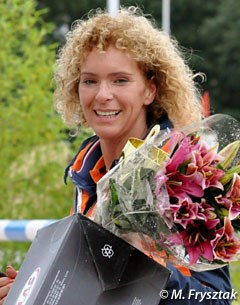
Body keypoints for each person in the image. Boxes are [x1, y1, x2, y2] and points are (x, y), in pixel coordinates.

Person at [0, 6, 233, 305]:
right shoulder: (86, 171)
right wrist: (37, 288)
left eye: (120, 80)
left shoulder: (184, 174)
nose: (102, 95)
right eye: (90, 80)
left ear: (150, 90)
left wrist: (149, 270)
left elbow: (218, 300)